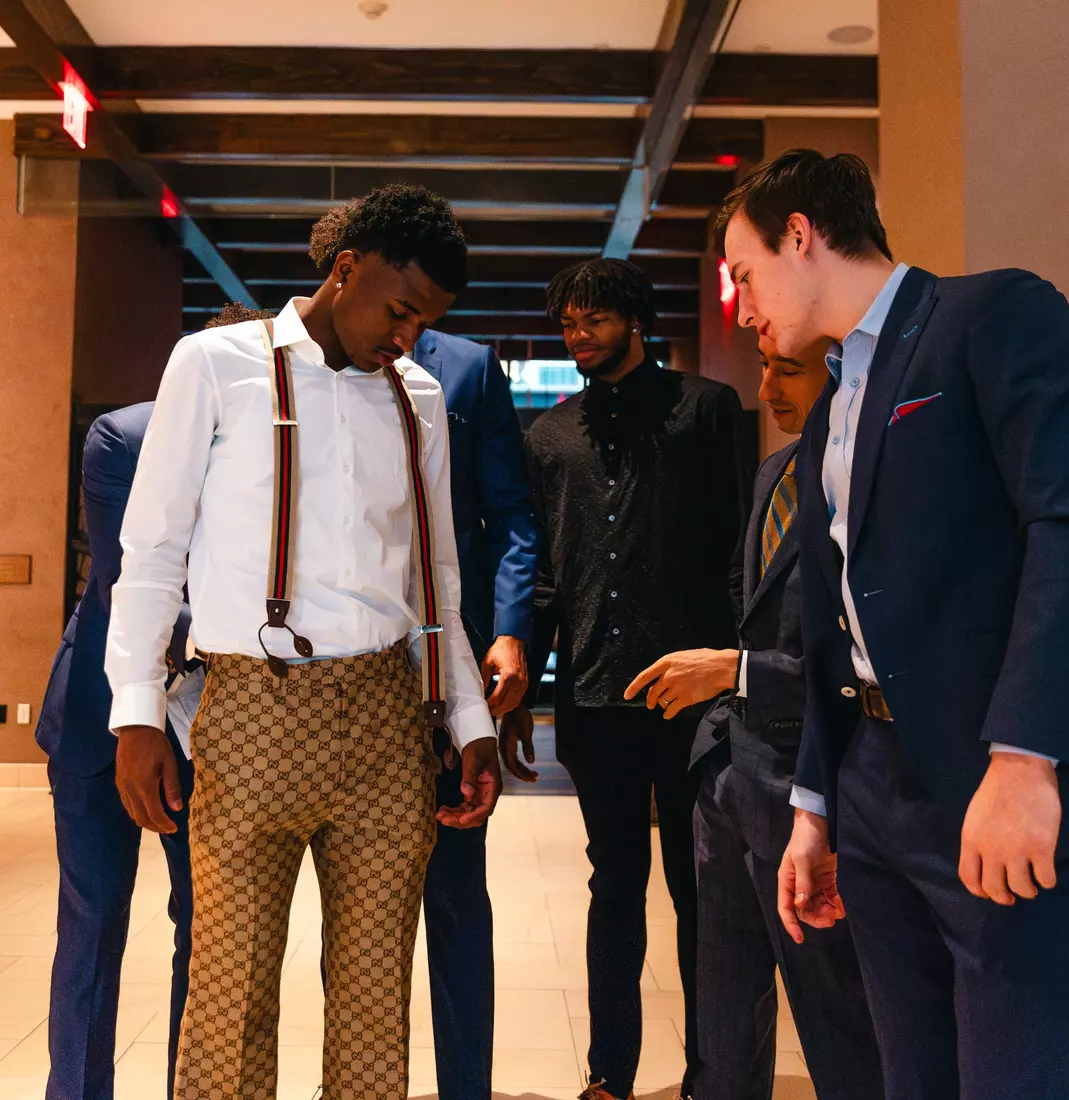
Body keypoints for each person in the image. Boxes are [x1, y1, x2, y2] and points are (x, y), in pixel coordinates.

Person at [106, 185, 502, 1100]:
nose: (405, 336)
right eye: (399, 310)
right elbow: (152, 549)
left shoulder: (421, 398)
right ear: (345, 268)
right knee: (229, 992)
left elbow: (436, 574)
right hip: (249, 705)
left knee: (372, 1003)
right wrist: (134, 712)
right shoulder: (214, 364)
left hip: (383, 721)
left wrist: (468, 717)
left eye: (425, 321)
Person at [719, 149, 1069, 1100]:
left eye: (744, 275)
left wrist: (1027, 756)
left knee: (1022, 1077)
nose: (745, 307)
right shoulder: (832, 404)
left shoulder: (993, 314)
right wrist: (816, 805)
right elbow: (834, 631)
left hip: (994, 784)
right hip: (874, 791)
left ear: (799, 236)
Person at [501, 259, 750, 1100]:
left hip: (695, 696)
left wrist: (742, 675)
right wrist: (518, 691)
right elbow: (542, 580)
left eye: (595, 320)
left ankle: (710, 1073)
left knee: (699, 887)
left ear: (633, 319)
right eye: (569, 323)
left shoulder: (706, 412)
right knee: (614, 887)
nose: (580, 336)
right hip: (595, 695)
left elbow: (737, 555)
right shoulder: (551, 437)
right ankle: (610, 1073)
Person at [625, 338, 882, 1100]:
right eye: (765, 367)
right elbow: (753, 618)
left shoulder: (870, 484)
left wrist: (731, 672)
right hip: (729, 773)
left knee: (836, 1017)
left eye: (788, 369)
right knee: (723, 1010)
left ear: (841, 373)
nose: (766, 385)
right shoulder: (774, 471)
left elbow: (861, 670)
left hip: (812, 784)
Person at [34, 303, 272, 1100]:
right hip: (108, 714)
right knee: (92, 925)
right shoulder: (125, 436)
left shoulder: (282, 446)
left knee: (206, 933)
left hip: (218, 727)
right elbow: (127, 576)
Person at [410, 327, 538, 1099]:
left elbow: (510, 514)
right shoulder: (299, 359)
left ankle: (467, 1089)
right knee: (348, 903)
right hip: (331, 671)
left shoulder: (465, 367)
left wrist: (511, 631)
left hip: (447, 660)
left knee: (456, 894)